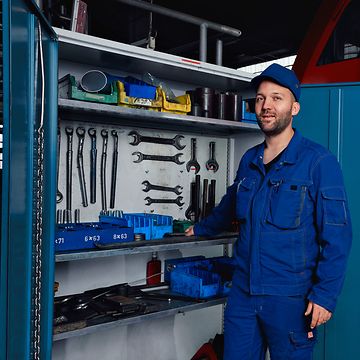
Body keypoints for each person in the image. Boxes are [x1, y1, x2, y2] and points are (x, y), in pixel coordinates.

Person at [185, 63, 352, 359]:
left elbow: (337, 236)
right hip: (244, 294)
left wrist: (325, 296)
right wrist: (202, 228)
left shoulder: (319, 162)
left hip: (291, 298)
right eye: (261, 98)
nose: (266, 106)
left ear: (295, 108)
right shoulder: (249, 159)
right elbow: (230, 205)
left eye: (277, 98)